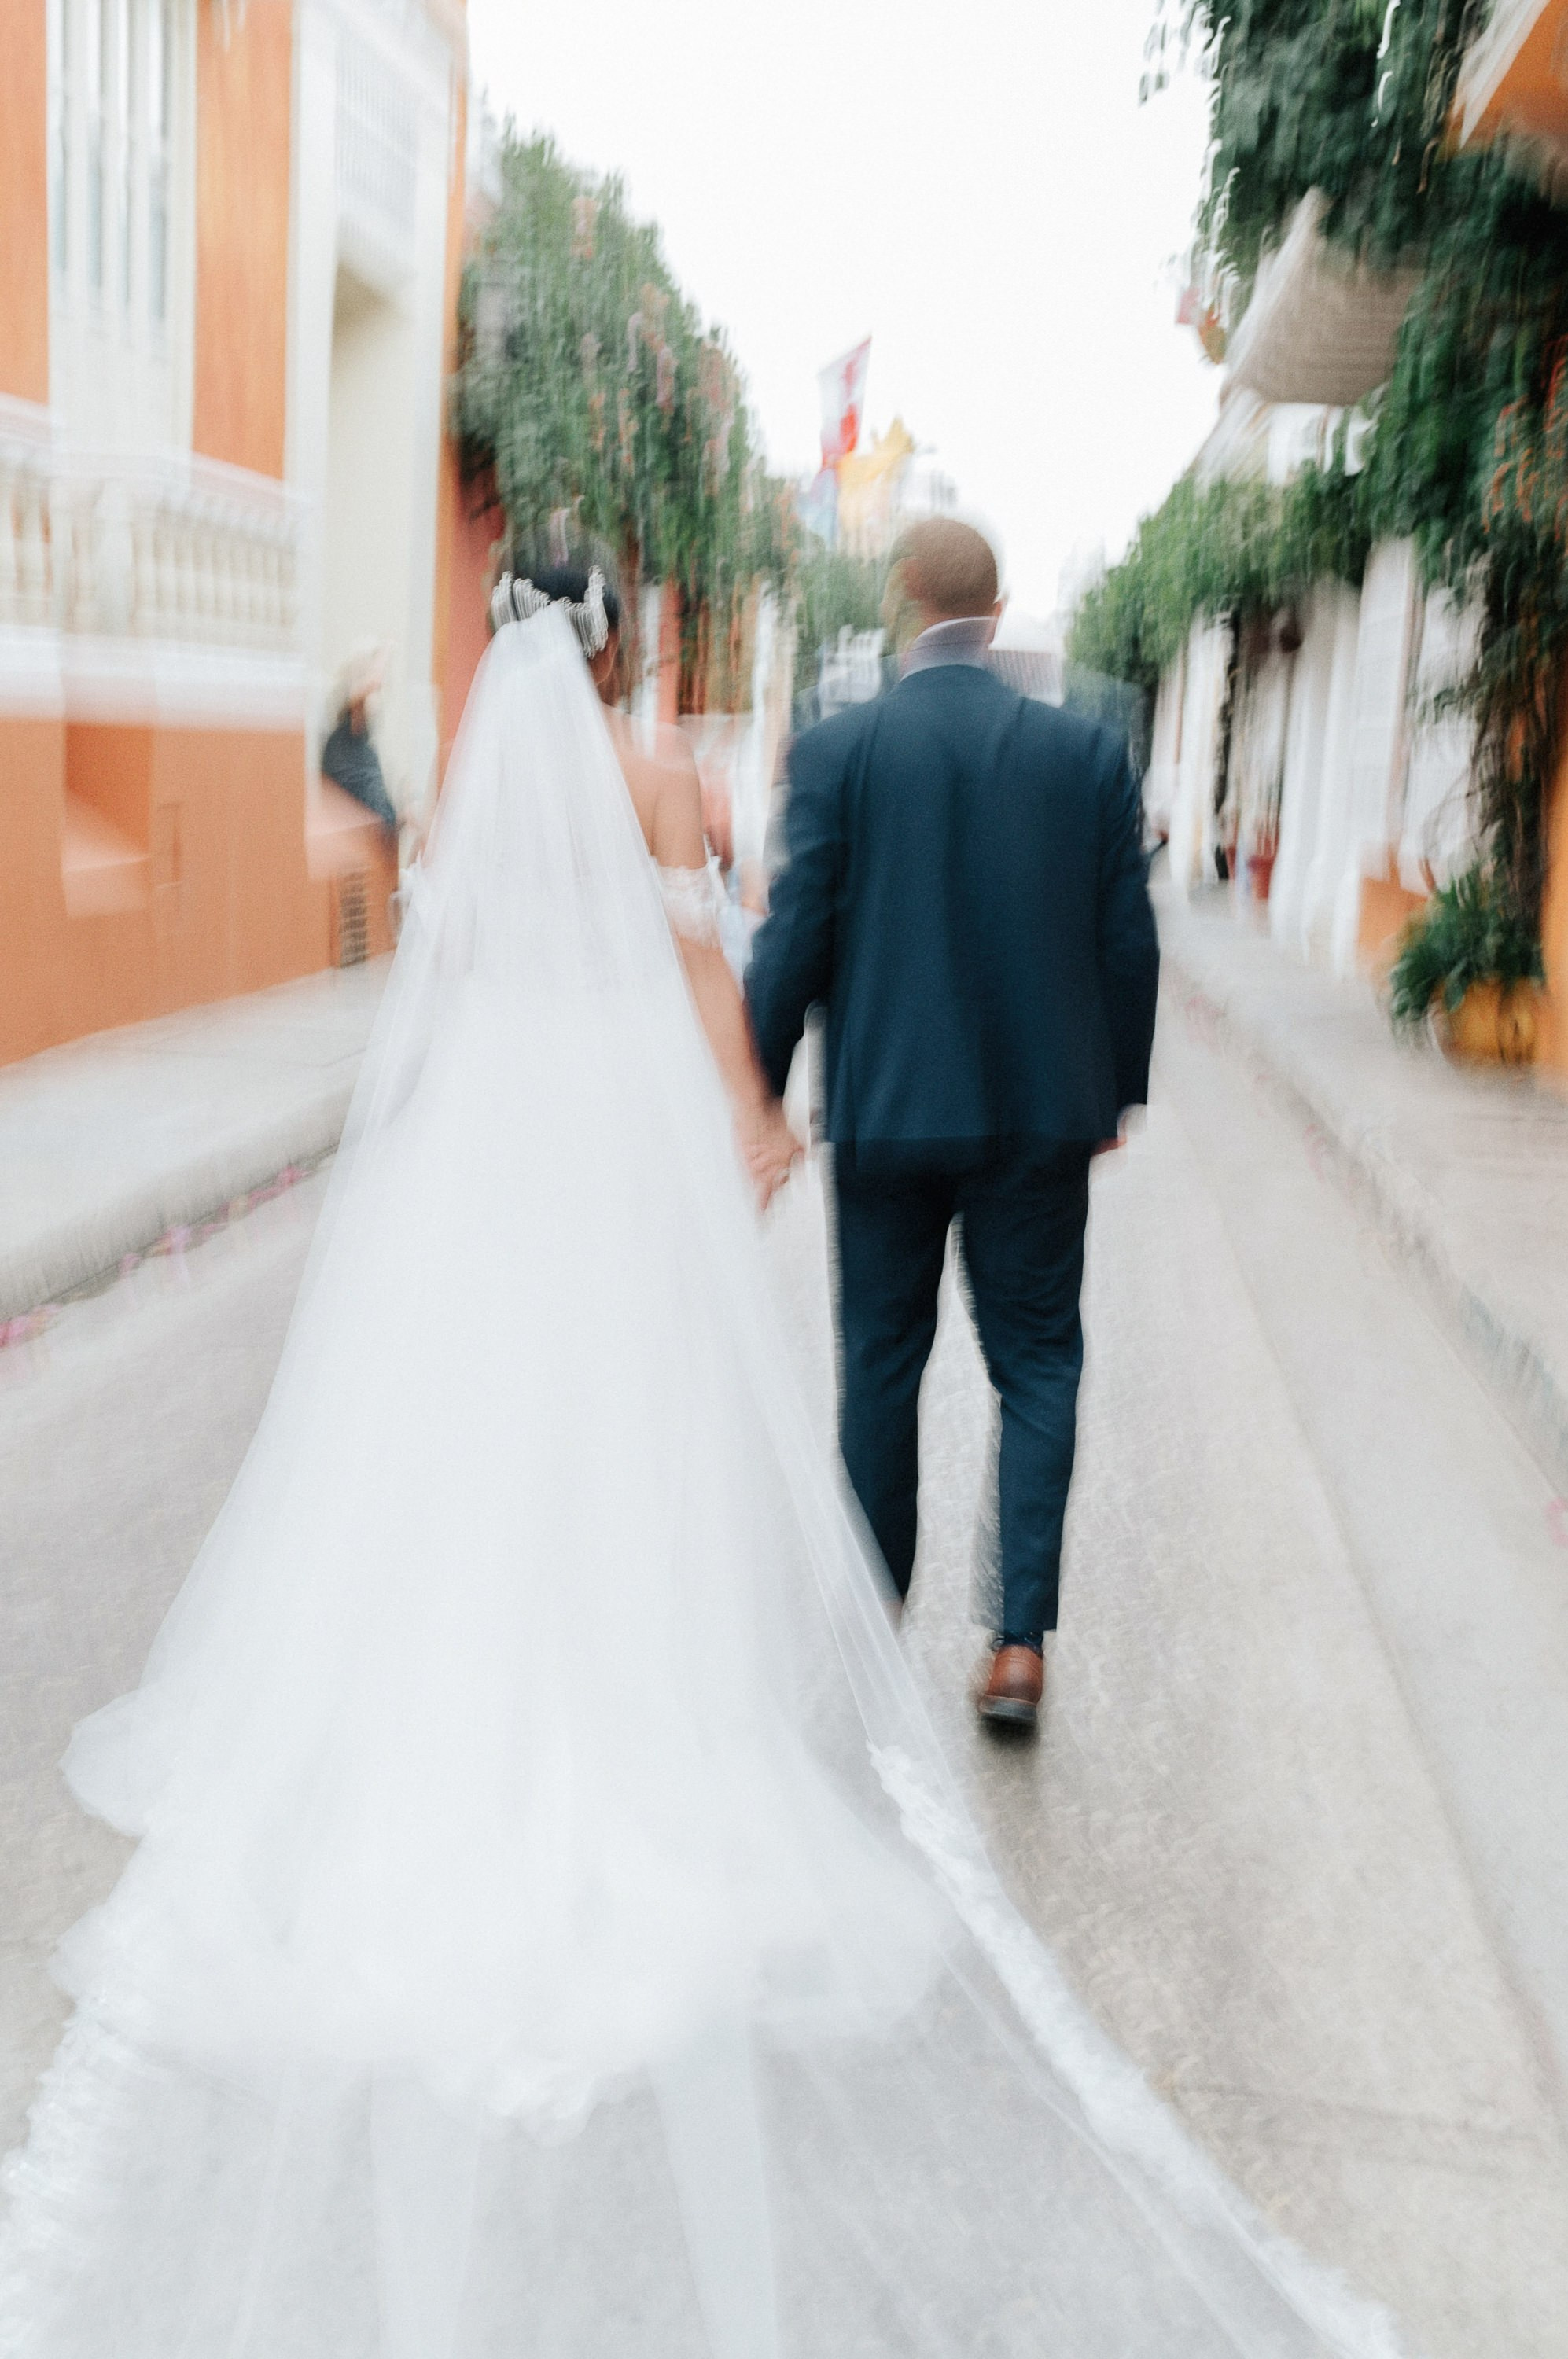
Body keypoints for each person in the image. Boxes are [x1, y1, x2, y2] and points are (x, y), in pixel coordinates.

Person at [0, 552, 1399, 2359]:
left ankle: (696, 1635)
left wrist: (762, 1080)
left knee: (545, 1430)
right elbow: (730, 945)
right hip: (762, 1132)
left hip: (519, 1153)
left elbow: (565, 949)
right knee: (948, 1373)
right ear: (616, 643)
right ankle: (981, 1632)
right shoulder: (732, 775)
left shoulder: (548, 788)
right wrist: (759, 1104)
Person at [745, 517, 1161, 1732]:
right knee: (1036, 1367)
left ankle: (871, 1629)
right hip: (1037, 1120)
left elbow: (793, 942)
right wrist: (1110, 1097)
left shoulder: (837, 753)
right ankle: (1016, 1646)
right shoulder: (1085, 757)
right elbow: (1124, 944)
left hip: (884, 1118)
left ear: (900, 597)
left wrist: (754, 1090)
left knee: (878, 1366)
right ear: (996, 604)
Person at [321, 644, 400, 837]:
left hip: (376, 835)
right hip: (359, 840)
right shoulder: (350, 725)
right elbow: (373, 682)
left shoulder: (362, 739)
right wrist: (385, 648)